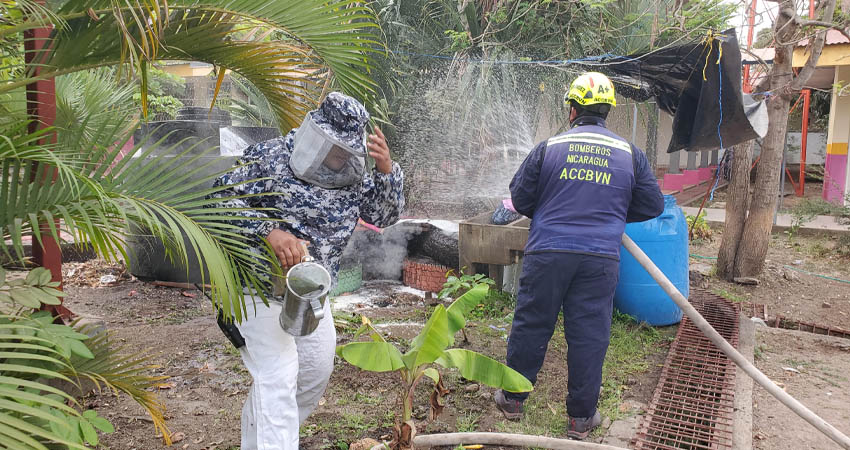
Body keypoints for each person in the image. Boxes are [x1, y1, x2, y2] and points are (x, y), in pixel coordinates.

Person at [209, 92, 404, 449]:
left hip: (309, 294)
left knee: (313, 373)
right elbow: (218, 199)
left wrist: (387, 172)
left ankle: (262, 439)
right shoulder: (270, 158)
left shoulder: (351, 174)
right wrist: (269, 232)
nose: (341, 156)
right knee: (278, 375)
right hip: (255, 289)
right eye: (335, 147)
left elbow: (382, 216)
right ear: (316, 134)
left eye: (348, 149)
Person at [493, 72, 664, 440]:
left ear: (572, 109)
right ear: (607, 111)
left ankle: (513, 400)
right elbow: (653, 204)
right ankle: (581, 420)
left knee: (532, 324)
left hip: (548, 252)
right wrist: (613, 213)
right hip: (600, 258)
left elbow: (520, 199)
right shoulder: (630, 154)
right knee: (589, 335)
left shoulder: (548, 148)